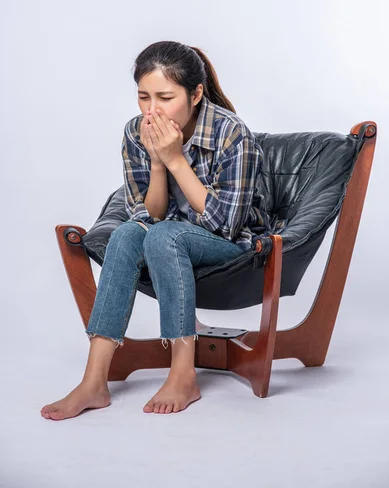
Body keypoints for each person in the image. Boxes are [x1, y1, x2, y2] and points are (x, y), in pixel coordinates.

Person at [40, 41, 271, 420]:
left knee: (165, 236)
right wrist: (158, 163)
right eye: (143, 97)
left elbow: (226, 225)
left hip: (236, 247)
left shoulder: (232, 135)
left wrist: (176, 158)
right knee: (129, 234)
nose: (152, 110)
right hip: (171, 238)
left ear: (195, 94)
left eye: (165, 97)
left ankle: (183, 375)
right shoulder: (136, 133)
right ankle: (94, 380)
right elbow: (148, 215)